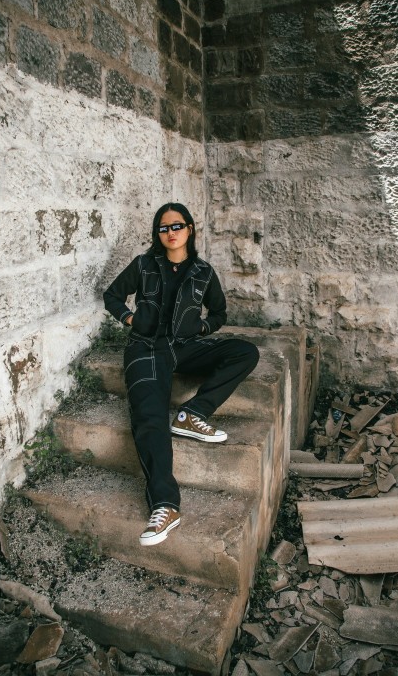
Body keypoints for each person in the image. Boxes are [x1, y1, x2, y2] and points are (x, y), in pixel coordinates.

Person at [103, 203, 260, 547]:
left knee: (245, 352)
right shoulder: (144, 264)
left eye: (176, 226)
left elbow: (219, 312)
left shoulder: (203, 272)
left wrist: (202, 327)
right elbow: (112, 295)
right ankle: (165, 505)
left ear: (190, 229)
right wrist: (130, 320)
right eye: (163, 228)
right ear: (157, 234)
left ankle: (195, 413)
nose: (170, 233)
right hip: (145, 348)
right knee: (149, 417)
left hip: (185, 346)